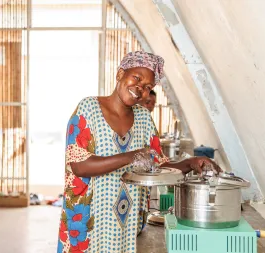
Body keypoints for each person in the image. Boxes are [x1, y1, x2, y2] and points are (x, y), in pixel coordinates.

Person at [57, 51, 221, 253]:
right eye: (136, 78)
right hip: (89, 221)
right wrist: (131, 156)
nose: (140, 89)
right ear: (120, 74)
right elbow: (80, 166)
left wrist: (192, 163)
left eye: (148, 87)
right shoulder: (88, 109)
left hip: (125, 224)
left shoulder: (143, 118)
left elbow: (158, 166)